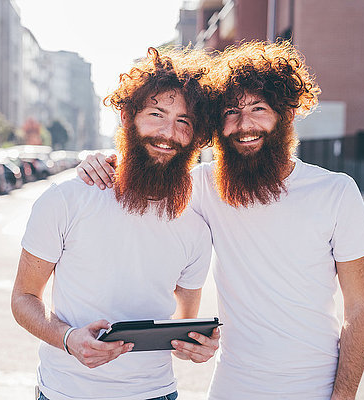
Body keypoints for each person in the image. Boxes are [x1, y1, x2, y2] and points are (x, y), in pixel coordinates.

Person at [77, 41, 364, 400]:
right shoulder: (203, 186)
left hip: (313, 387)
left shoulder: (336, 192)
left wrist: (343, 397)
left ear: (288, 114)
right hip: (231, 388)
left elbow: (359, 309)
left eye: (259, 108)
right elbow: (149, 168)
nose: (243, 124)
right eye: (231, 112)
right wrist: (101, 161)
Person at [11, 47, 221, 400]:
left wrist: (194, 346)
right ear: (127, 118)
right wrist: (67, 337)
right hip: (65, 393)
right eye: (156, 113)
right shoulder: (67, 199)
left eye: (183, 121)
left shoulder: (197, 227)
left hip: (156, 394)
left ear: (195, 136)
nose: (169, 132)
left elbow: (183, 322)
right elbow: (23, 298)